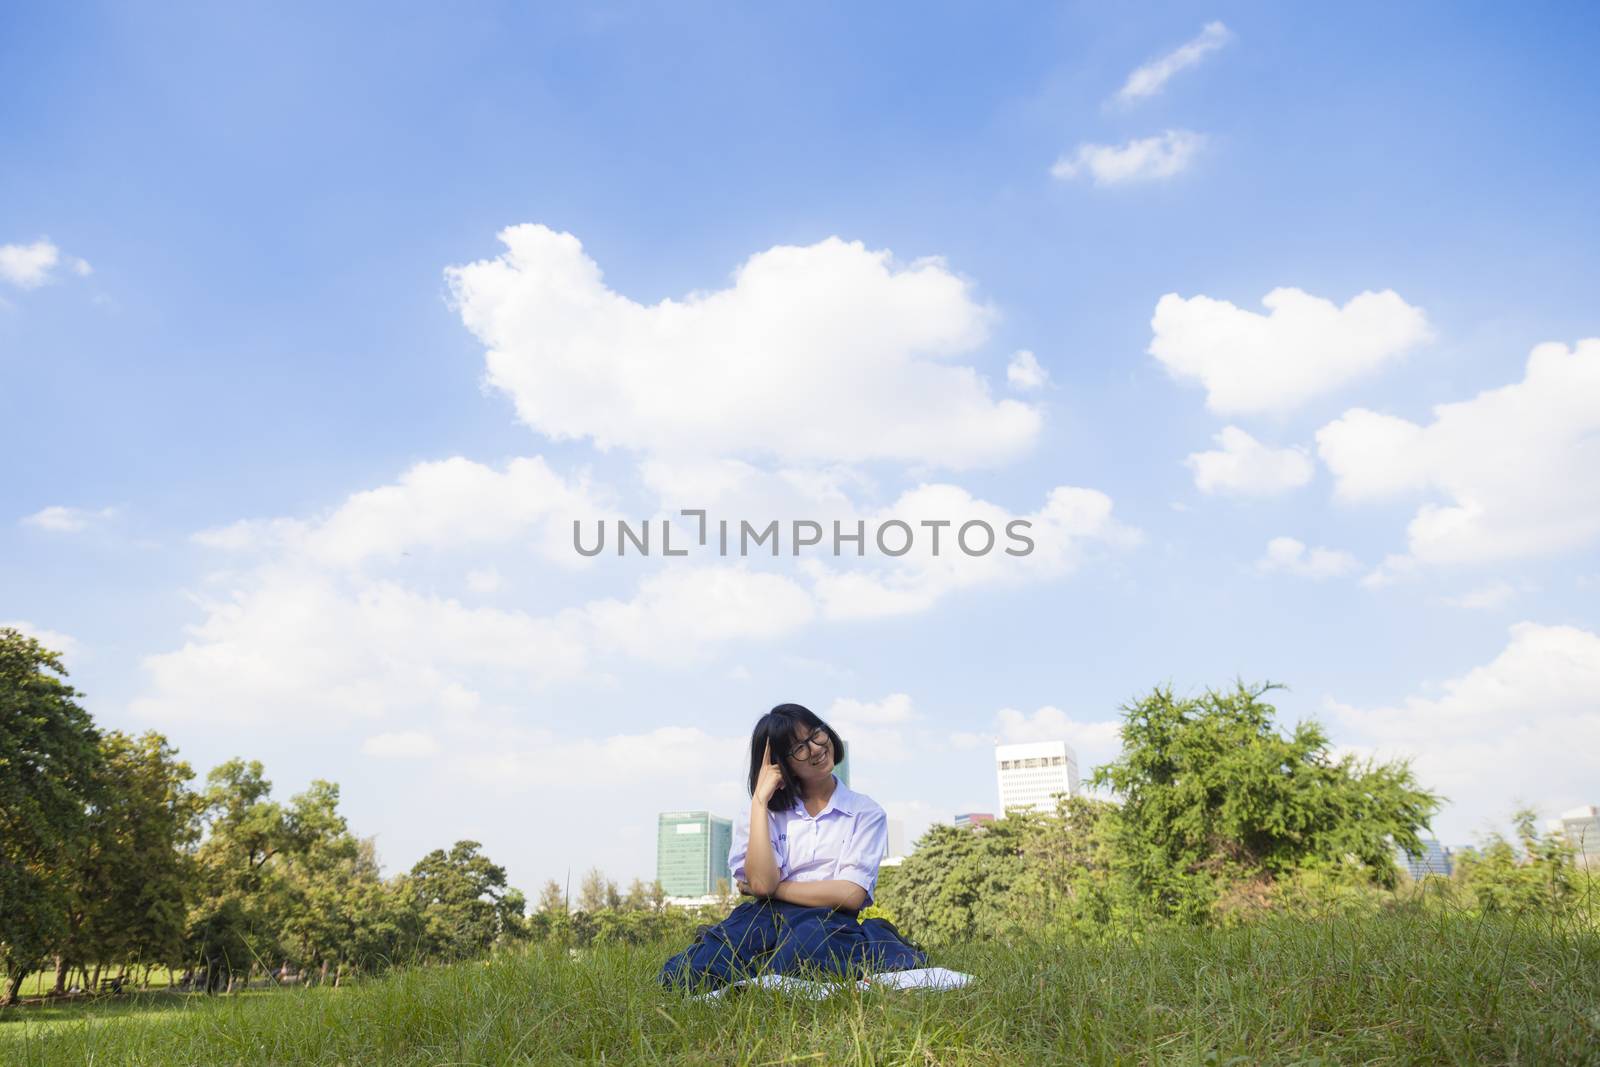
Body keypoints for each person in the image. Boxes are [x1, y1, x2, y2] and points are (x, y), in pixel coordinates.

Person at [658, 702, 927, 991]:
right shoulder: (761, 813)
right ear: (778, 763)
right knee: (688, 974)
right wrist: (760, 801)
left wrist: (774, 890)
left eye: (816, 734)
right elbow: (760, 883)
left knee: (798, 960)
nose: (815, 748)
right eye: (799, 747)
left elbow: (850, 894)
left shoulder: (864, 812)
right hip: (762, 916)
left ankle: (759, 971)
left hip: (827, 918)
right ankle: (753, 968)